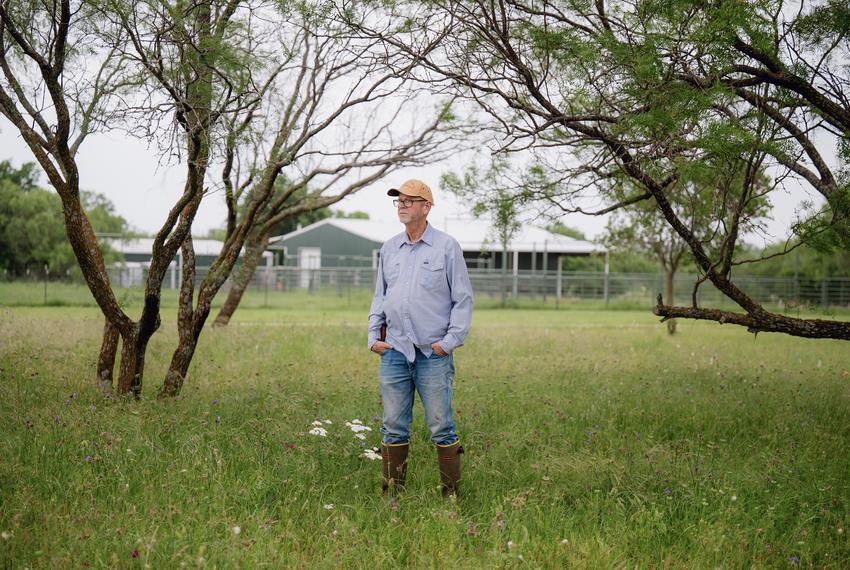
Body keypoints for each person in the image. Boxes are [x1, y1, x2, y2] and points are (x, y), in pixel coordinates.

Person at [367, 179, 473, 498]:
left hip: (433, 353)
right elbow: (380, 296)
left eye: (410, 201)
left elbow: (463, 299)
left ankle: (450, 495)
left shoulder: (446, 247)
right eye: (399, 200)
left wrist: (449, 342)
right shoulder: (389, 248)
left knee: (441, 425)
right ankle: (392, 495)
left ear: (426, 207)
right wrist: (374, 336)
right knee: (392, 426)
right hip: (395, 351)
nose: (402, 205)